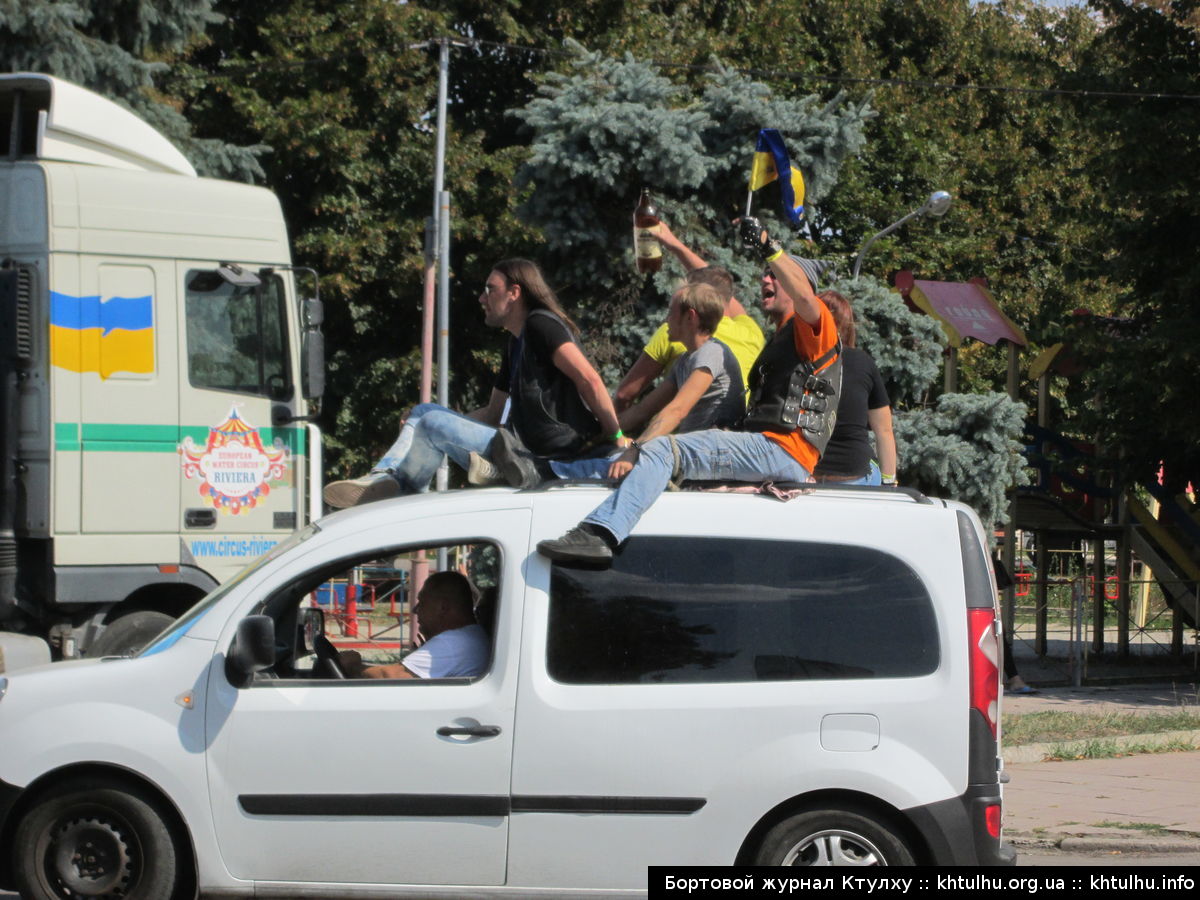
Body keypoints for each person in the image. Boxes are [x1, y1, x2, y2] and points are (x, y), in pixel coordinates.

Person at [537, 218, 840, 565]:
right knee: (636, 456)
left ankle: (601, 535)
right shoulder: (773, 334)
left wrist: (769, 246)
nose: (765, 278)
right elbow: (712, 290)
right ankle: (545, 471)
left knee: (662, 449)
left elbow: (802, 293)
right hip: (765, 448)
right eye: (766, 272)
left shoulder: (818, 329)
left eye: (775, 274)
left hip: (782, 451)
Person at [323, 259, 627, 508]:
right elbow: (492, 415)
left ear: (514, 292)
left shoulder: (541, 324)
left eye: (490, 290)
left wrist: (616, 436)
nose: (482, 299)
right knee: (425, 415)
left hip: (541, 458)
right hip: (516, 452)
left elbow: (589, 378)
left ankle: (395, 485)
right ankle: (398, 479)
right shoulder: (514, 343)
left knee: (428, 417)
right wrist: (427, 428)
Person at [544, 282, 744, 482]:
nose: (666, 320)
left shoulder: (711, 353)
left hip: (710, 458)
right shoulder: (685, 361)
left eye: (671, 313)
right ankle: (554, 468)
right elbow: (642, 410)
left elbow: (676, 410)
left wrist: (636, 450)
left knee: (613, 466)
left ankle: (549, 472)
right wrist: (597, 434)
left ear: (690, 316)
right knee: (606, 455)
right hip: (692, 452)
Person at [614, 220, 763, 410]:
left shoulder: (679, 328)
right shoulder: (750, 331)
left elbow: (624, 394)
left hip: (686, 436)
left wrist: (615, 434)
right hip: (738, 433)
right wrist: (673, 243)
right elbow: (722, 292)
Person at [812, 290, 898, 487]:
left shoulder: (798, 361)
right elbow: (884, 430)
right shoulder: (862, 362)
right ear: (847, 326)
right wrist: (889, 482)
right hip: (856, 475)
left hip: (807, 474)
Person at [341, 571, 489, 679]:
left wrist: (352, 665)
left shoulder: (452, 642)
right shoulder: (471, 636)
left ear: (443, 607)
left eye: (422, 602)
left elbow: (392, 678)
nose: (415, 609)